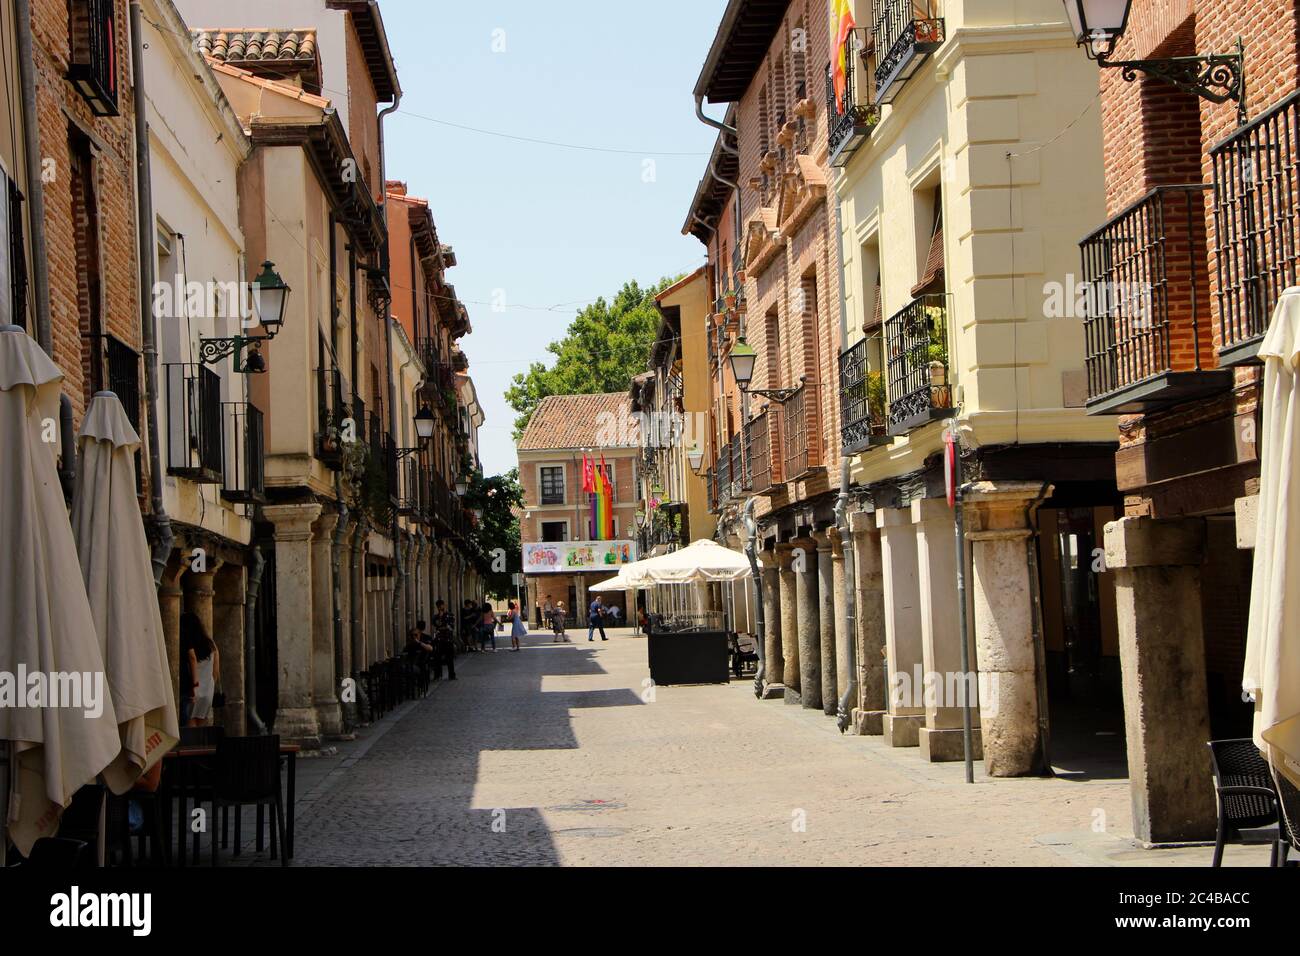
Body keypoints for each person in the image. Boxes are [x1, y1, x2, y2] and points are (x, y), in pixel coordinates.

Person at [180, 612, 220, 727]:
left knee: (190, 725)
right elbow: (215, 670)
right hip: (207, 690)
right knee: (202, 726)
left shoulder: (189, 645)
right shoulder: (210, 644)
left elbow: (192, 659)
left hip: (193, 690)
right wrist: (210, 684)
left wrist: (194, 686)